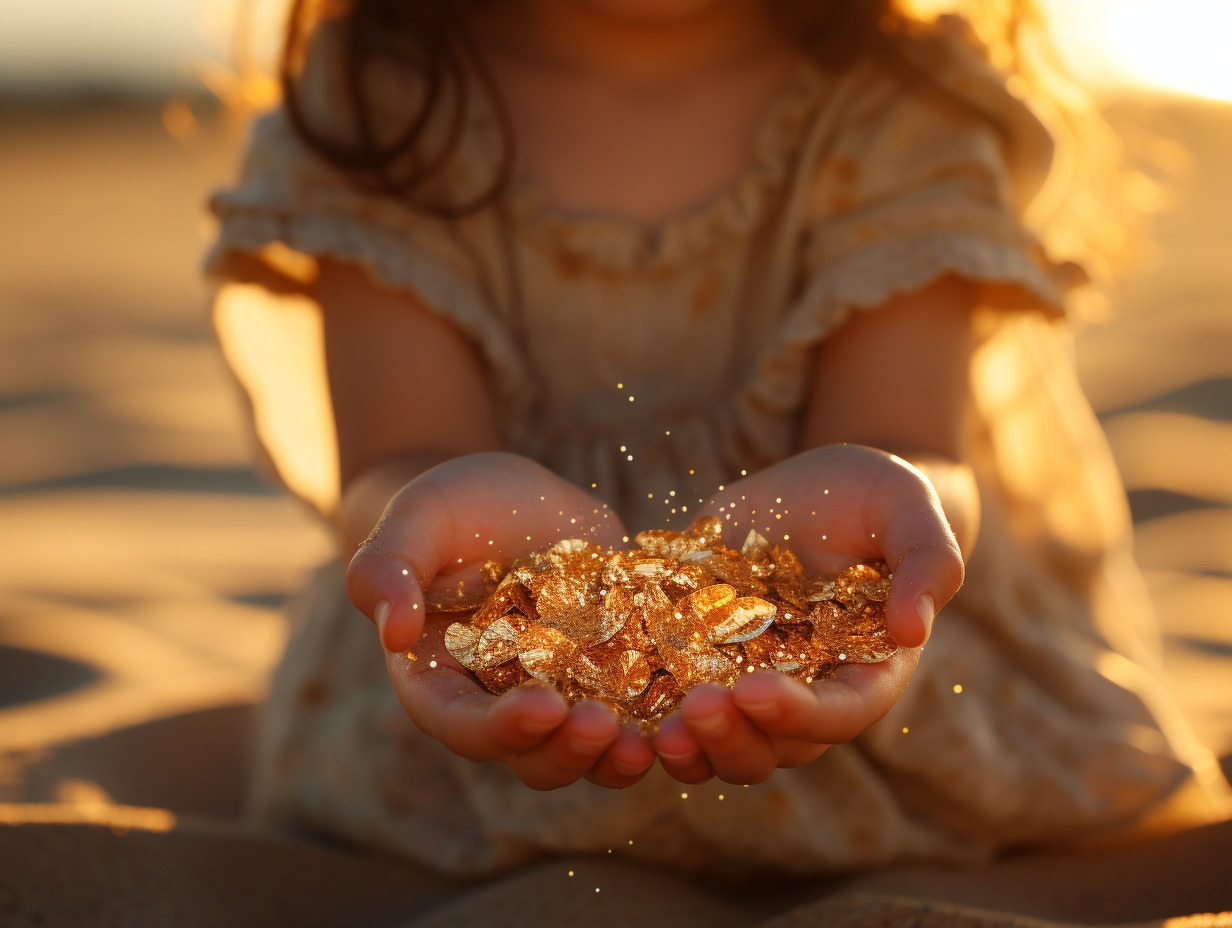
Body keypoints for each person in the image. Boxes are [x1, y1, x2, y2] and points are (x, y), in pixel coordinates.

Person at [205, 0, 1229, 878]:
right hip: (466, 684)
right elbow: (400, 454)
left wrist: (879, 528)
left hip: (899, 695)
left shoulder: (904, 105)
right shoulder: (381, 102)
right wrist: (432, 525)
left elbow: (901, 444)